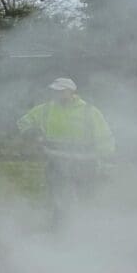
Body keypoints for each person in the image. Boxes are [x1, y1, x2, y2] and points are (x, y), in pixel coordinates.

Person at [17, 78, 114, 215]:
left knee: (86, 198)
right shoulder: (45, 109)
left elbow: (104, 137)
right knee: (57, 198)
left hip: (85, 163)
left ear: (72, 91)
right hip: (56, 162)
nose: (57, 94)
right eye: (55, 91)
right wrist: (33, 134)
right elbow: (23, 122)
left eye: (61, 91)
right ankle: (58, 227)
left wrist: (106, 162)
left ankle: (87, 225)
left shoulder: (89, 111)